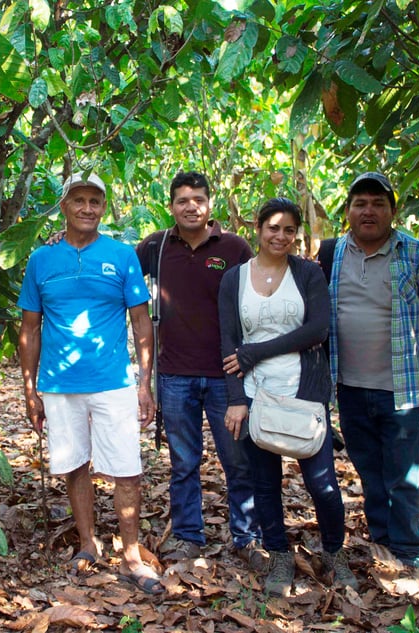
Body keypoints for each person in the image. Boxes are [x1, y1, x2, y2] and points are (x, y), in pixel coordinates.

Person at [18, 172, 163, 594]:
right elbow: (29, 328)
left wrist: (144, 383)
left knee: (126, 469)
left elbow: (141, 321)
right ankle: (87, 543)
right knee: (75, 464)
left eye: (94, 201)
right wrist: (30, 390)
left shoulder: (121, 256)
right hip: (60, 385)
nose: (86, 208)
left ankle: (131, 554)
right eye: (78, 200)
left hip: (113, 382)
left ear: (104, 208)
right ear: (64, 206)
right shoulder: (41, 260)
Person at [328, 172, 419, 594]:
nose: (368, 211)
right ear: (348, 210)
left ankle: (410, 553)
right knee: (370, 472)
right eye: (360, 203)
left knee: (405, 475)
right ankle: (383, 543)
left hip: (402, 389)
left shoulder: (417, 254)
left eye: (378, 203)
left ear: (392, 210)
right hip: (350, 387)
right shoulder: (332, 253)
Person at [218, 197, 358, 598]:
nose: (280, 236)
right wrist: (235, 399)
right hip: (254, 393)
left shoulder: (308, 274)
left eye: (289, 229)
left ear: (296, 234)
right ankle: (278, 554)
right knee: (265, 483)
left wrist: (256, 352)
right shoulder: (234, 279)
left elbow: (317, 330)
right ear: (258, 229)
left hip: (303, 389)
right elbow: (227, 342)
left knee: (323, 484)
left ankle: (334, 552)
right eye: (273, 228)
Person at [134, 171, 266, 569]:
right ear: (171, 205)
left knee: (239, 458)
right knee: (184, 461)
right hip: (174, 375)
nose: (190, 206)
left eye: (198, 199)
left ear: (211, 204)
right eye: (182, 200)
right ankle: (189, 536)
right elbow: (117, 269)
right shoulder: (155, 246)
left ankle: (248, 537)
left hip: (227, 374)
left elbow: (264, 291)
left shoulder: (234, 247)